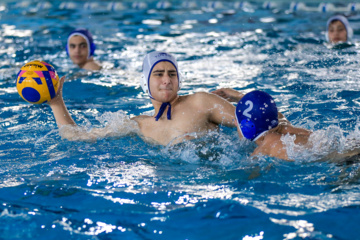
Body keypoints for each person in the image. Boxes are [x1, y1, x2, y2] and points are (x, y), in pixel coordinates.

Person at [48, 51, 239, 145]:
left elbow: (258, 121)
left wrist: (241, 97)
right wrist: (56, 103)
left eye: (172, 74)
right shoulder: (139, 125)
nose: (166, 80)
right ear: (145, 82)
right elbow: (76, 136)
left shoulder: (201, 102)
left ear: (179, 81)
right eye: (158, 74)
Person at [232, 90, 360, 161]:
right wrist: (237, 96)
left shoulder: (265, 148)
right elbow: (273, 113)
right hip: (352, 146)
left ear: (247, 127)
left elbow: (245, 180)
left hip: (352, 160)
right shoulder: (283, 127)